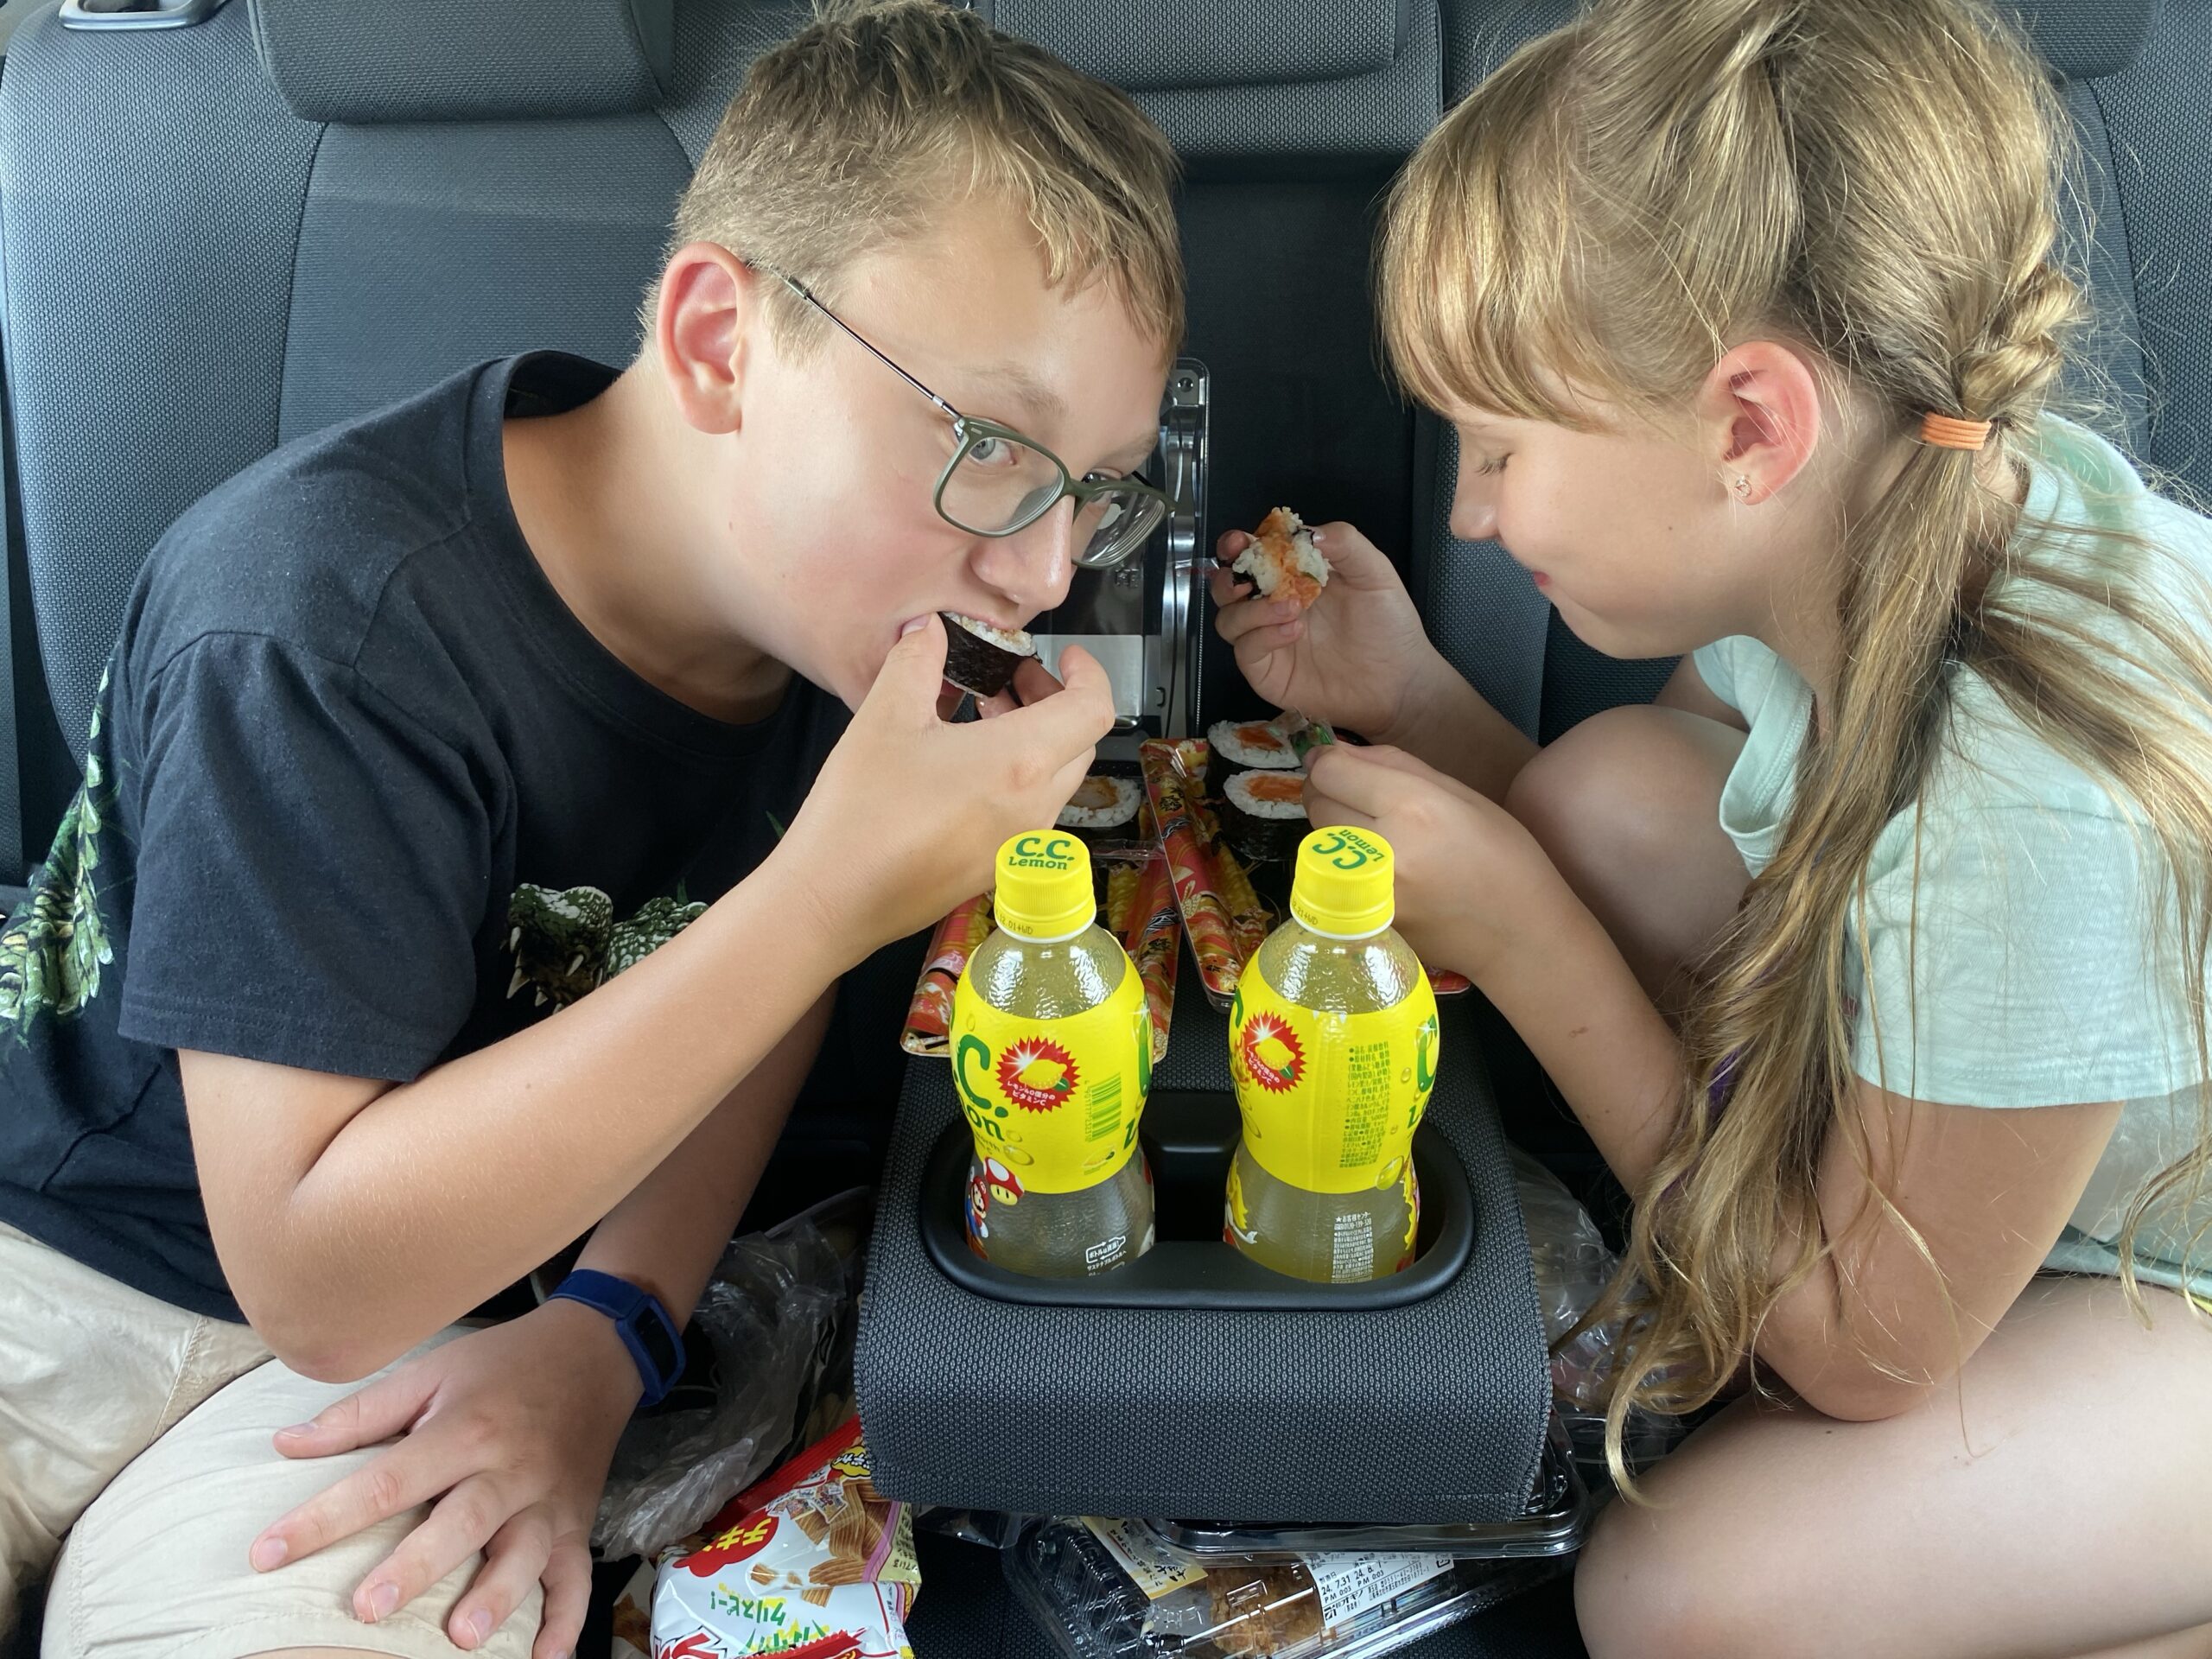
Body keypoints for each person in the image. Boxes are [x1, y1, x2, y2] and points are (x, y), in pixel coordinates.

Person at [0, 3, 1184, 1656]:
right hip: (73, 1259)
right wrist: (831, 895)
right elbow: (313, 1275)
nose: (1044, 573)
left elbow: (745, 999)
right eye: (989, 445)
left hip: (455, 1307)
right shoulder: (317, 621)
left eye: (1097, 488)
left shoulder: (843, 634)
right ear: (718, 345)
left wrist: (608, 1331)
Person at [1211, 1, 2212, 1654]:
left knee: (1682, 1597)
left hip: (2167, 1280)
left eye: (1500, 449)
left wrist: (1528, 941)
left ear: (1751, 426)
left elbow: (1855, 1353)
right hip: (2008, 1161)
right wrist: (1413, 700)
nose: (1468, 510)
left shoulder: (2034, 797)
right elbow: (1643, 819)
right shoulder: (1887, 501)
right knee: (1601, 793)